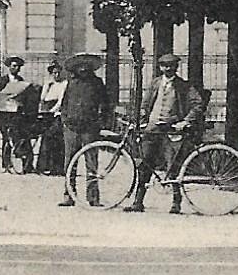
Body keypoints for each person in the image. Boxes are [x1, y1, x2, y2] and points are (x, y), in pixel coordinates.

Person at [127, 52, 204, 213]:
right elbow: (146, 103)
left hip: (172, 130)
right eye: (164, 66)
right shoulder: (155, 83)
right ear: (160, 67)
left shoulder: (184, 86)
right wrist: (142, 116)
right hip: (153, 129)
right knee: (145, 163)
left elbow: (198, 104)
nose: (167, 69)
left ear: (176, 68)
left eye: (171, 66)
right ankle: (138, 201)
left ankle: (176, 203)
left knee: (173, 166)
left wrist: (185, 121)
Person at [58, 54, 109, 205]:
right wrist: (65, 120)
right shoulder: (71, 83)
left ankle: (93, 198)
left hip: (90, 128)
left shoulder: (97, 83)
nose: (83, 68)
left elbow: (105, 104)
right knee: (69, 163)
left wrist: (100, 122)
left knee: (91, 163)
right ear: (75, 68)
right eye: (80, 66)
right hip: (71, 128)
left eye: (86, 66)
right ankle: (69, 196)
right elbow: (65, 103)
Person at [0, 56, 35, 173]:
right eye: (14, 66)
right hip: (4, 115)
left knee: (23, 136)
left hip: (17, 114)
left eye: (18, 67)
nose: (16, 68)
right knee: (7, 137)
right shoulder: (2, 81)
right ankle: (6, 162)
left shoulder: (21, 81)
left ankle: (27, 164)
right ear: (9, 67)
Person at [38, 60, 68, 175]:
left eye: (58, 72)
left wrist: (52, 111)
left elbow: (60, 102)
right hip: (47, 114)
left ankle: (57, 167)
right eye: (54, 73)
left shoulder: (64, 84)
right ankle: (44, 166)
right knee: (45, 137)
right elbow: (42, 98)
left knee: (54, 137)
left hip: (57, 114)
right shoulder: (49, 84)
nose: (56, 75)